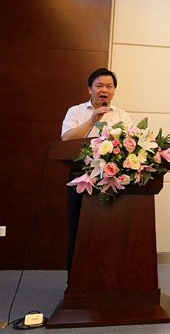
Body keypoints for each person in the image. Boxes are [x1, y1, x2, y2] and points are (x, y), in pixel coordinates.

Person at [61, 68, 133, 279]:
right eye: (99, 86)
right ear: (89, 89)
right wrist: (92, 120)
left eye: (109, 86)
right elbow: (66, 139)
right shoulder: (76, 112)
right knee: (79, 229)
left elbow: (132, 142)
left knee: (110, 230)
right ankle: (76, 281)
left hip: (112, 178)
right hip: (81, 176)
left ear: (114, 91)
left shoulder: (121, 115)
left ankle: (108, 278)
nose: (104, 90)